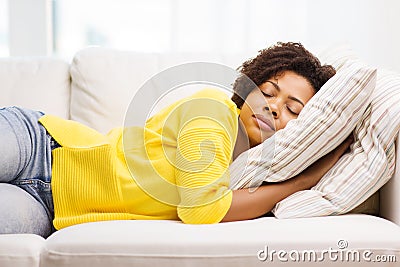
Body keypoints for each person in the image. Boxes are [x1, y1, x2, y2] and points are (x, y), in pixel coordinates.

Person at [0, 42, 351, 238]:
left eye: (293, 109)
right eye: (268, 92)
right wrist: (304, 181)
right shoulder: (213, 110)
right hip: (41, 147)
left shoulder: (251, 167)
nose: (273, 108)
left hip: (51, 209)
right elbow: (200, 209)